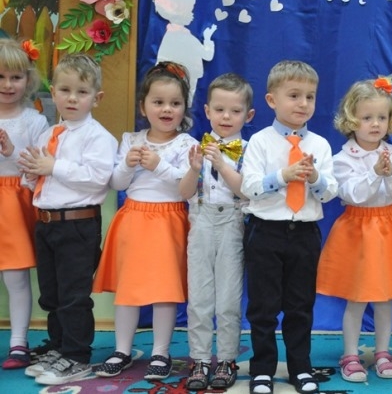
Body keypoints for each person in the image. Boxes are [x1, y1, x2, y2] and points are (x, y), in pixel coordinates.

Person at [317, 76, 392, 383]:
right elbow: (352, 194)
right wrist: (375, 174)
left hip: (388, 229)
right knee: (356, 297)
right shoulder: (342, 158)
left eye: (382, 117)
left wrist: (390, 174)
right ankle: (350, 354)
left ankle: (382, 352)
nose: (375, 124)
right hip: (357, 230)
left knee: (384, 297)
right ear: (352, 120)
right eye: (367, 118)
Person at [92, 61, 197, 381]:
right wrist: (126, 164)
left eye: (175, 103)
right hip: (134, 220)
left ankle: (161, 353)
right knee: (128, 290)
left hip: (169, 222)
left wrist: (158, 165)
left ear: (184, 107)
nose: (167, 109)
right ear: (143, 106)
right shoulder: (131, 139)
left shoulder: (187, 145)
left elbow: (187, 188)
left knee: (165, 290)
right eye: (158, 102)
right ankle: (122, 350)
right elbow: (117, 184)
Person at [17, 53, 117, 385]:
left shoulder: (98, 137)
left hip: (77, 224)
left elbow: (97, 178)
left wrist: (53, 167)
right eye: (65, 90)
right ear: (53, 93)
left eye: (82, 92)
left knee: (74, 294)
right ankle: (59, 346)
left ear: (96, 98)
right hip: (46, 222)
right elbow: (38, 177)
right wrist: (32, 173)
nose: (72, 98)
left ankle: (77, 356)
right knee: (52, 293)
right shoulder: (49, 133)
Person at [240, 60, 338, 394]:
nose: (303, 103)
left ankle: (301, 368)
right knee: (263, 307)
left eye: (310, 96)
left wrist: (315, 178)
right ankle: (262, 370)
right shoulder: (260, 142)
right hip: (265, 232)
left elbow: (329, 192)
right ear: (272, 100)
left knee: (300, 306)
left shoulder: (320, 145)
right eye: (294, 95)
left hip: (305, 234)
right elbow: (249, 187)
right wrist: (283, 175)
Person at [178, 73, 255, 391]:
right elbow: (184, 192)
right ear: (207, 111)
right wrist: (194, 169)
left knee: (228, 299)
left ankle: (226, 358)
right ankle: (199, 359)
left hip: (232, 224)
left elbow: (246, 192)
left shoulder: (250, 150)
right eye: (220, 110)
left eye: (235, 111)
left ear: (248, 115)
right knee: (199, 297)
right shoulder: (194, 147)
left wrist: (223, 164)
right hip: (201, 223)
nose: (226, 117)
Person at [0, 38, 49, 370]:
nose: (8, 84)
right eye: (1, 77)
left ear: (27, 79)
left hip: (15, 202)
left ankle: (19, 342)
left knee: (15, 277)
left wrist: (11, 152)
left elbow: (38, 166)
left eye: (15, 77)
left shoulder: (34, 121)